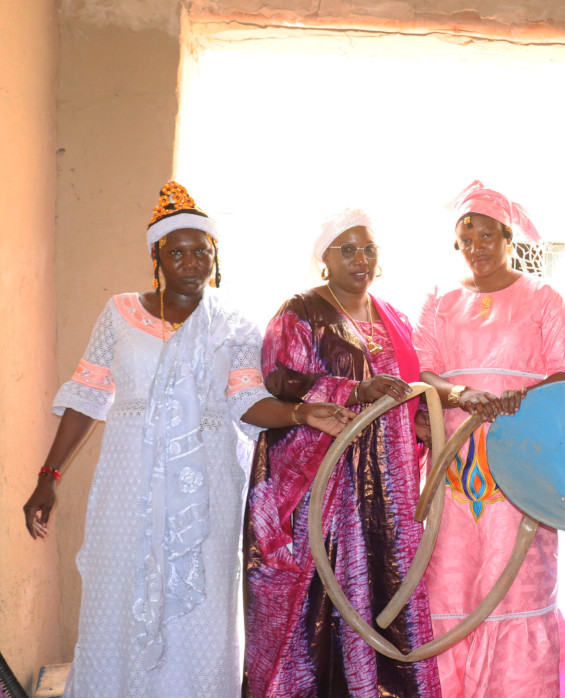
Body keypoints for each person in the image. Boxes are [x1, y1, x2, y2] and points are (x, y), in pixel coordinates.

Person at [21, 182, 349, 697]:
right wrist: (49, 476)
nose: (191, 262)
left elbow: (246, 402)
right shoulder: (120, 313)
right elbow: (86, 396)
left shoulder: (233, 325)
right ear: (157, 257)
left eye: (202, 251)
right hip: (128, 483)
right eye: (177, 252)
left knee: (200, 609)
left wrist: (302, 412)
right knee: (118, 593)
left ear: (215, 258)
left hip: (209, 483)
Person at [243, 209, 441, 697]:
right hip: (326, 484)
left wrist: (428, 417)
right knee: (326, 595)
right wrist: (354, 389)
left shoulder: (393, 315)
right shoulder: (302, 310)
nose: (361, 259)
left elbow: (412, 387)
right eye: (348, 249)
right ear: (324, 260)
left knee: (391, 583)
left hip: (389, 485)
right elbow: (281, 378)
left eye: (369, 249)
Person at [413, 182, 565, 697]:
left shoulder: (543, 300)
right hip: (453, 468)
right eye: (467, 237)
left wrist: (520, 396)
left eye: (489, 235)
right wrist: (460, 391)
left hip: (521, 465)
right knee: (449, 584)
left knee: (516, 588)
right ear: (456, 244)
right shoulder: (439, 302)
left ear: (508, 239)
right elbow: (421, 373)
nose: (478, 246)